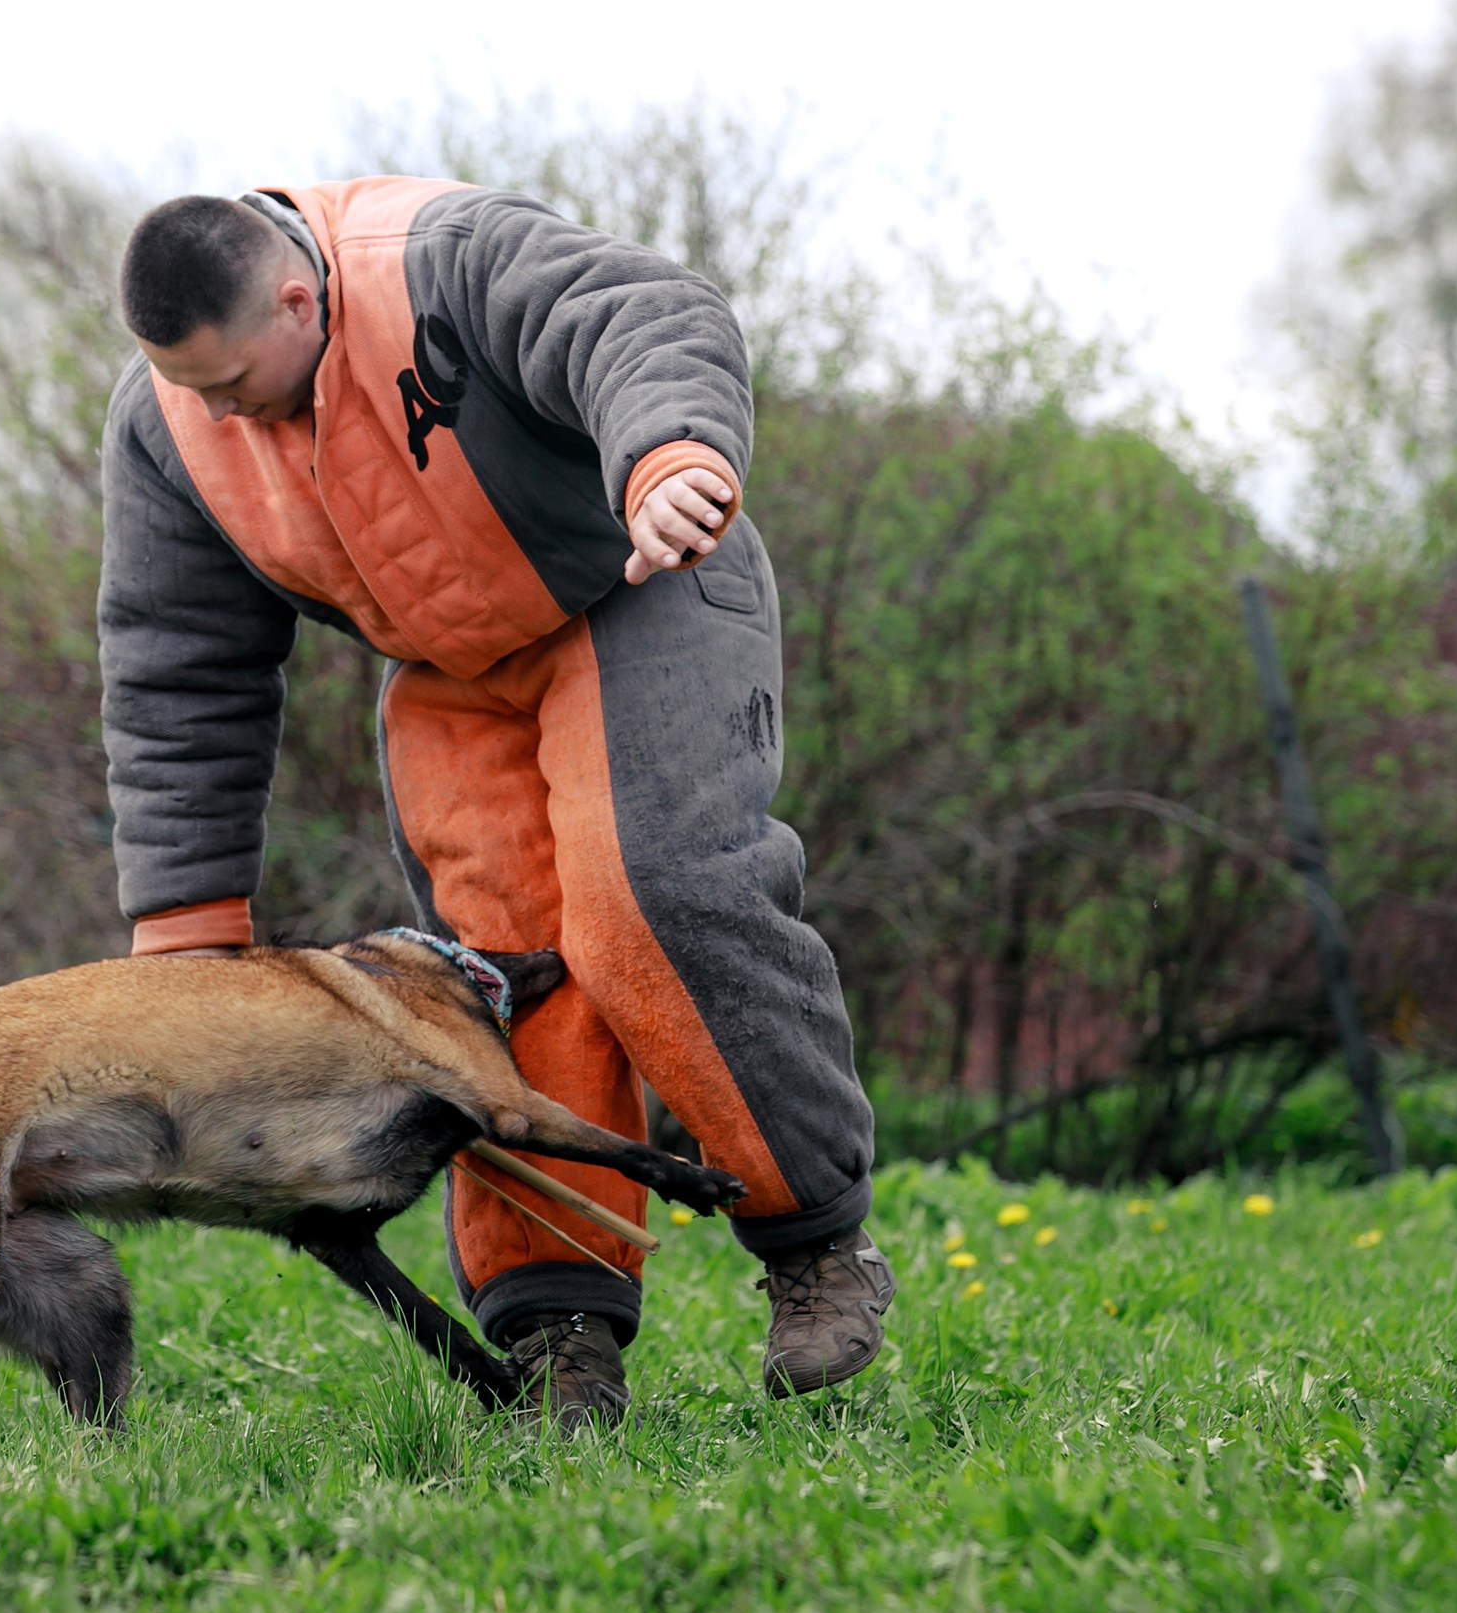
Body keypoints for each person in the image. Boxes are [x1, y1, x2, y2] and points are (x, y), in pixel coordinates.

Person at [97, 178, 891, 1428]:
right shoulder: (166, 423)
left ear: (300, 298)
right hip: (453, 672)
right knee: (495, 981)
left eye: (230, 382)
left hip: (636, 578)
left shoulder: (444, 257)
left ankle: (815, 1248)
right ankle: (556, 1332)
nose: (216, 414)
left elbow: (640, 312)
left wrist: (669, 454)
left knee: (656, 901)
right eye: (185, 387)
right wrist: (185, 931)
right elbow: (173, 666)